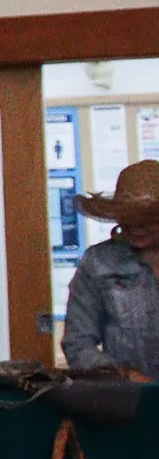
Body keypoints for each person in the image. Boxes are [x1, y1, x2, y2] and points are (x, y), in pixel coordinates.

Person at [69, 158, 159, 379]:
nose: (135, 226)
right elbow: (77, 343)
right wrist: (122, 374)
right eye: (128, 217)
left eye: (146, 219)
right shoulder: (99, 263)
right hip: (128, 403)